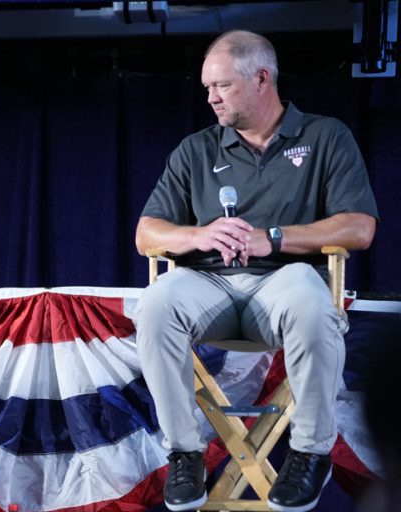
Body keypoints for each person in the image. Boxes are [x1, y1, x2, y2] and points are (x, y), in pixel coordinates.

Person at [133, 31, 378, 512]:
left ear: (261, 78)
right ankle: (185, 451)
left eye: (221, 86)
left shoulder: (325, 136)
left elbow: (360, 227)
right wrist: (197, 236)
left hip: (285, 281)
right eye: (207, 87)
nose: (210, 97)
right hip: (208, 283)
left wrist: (274, 237)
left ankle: (310, 452)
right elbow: (147, 234)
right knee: (156, 303)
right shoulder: (195, 150)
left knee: (312, 302)